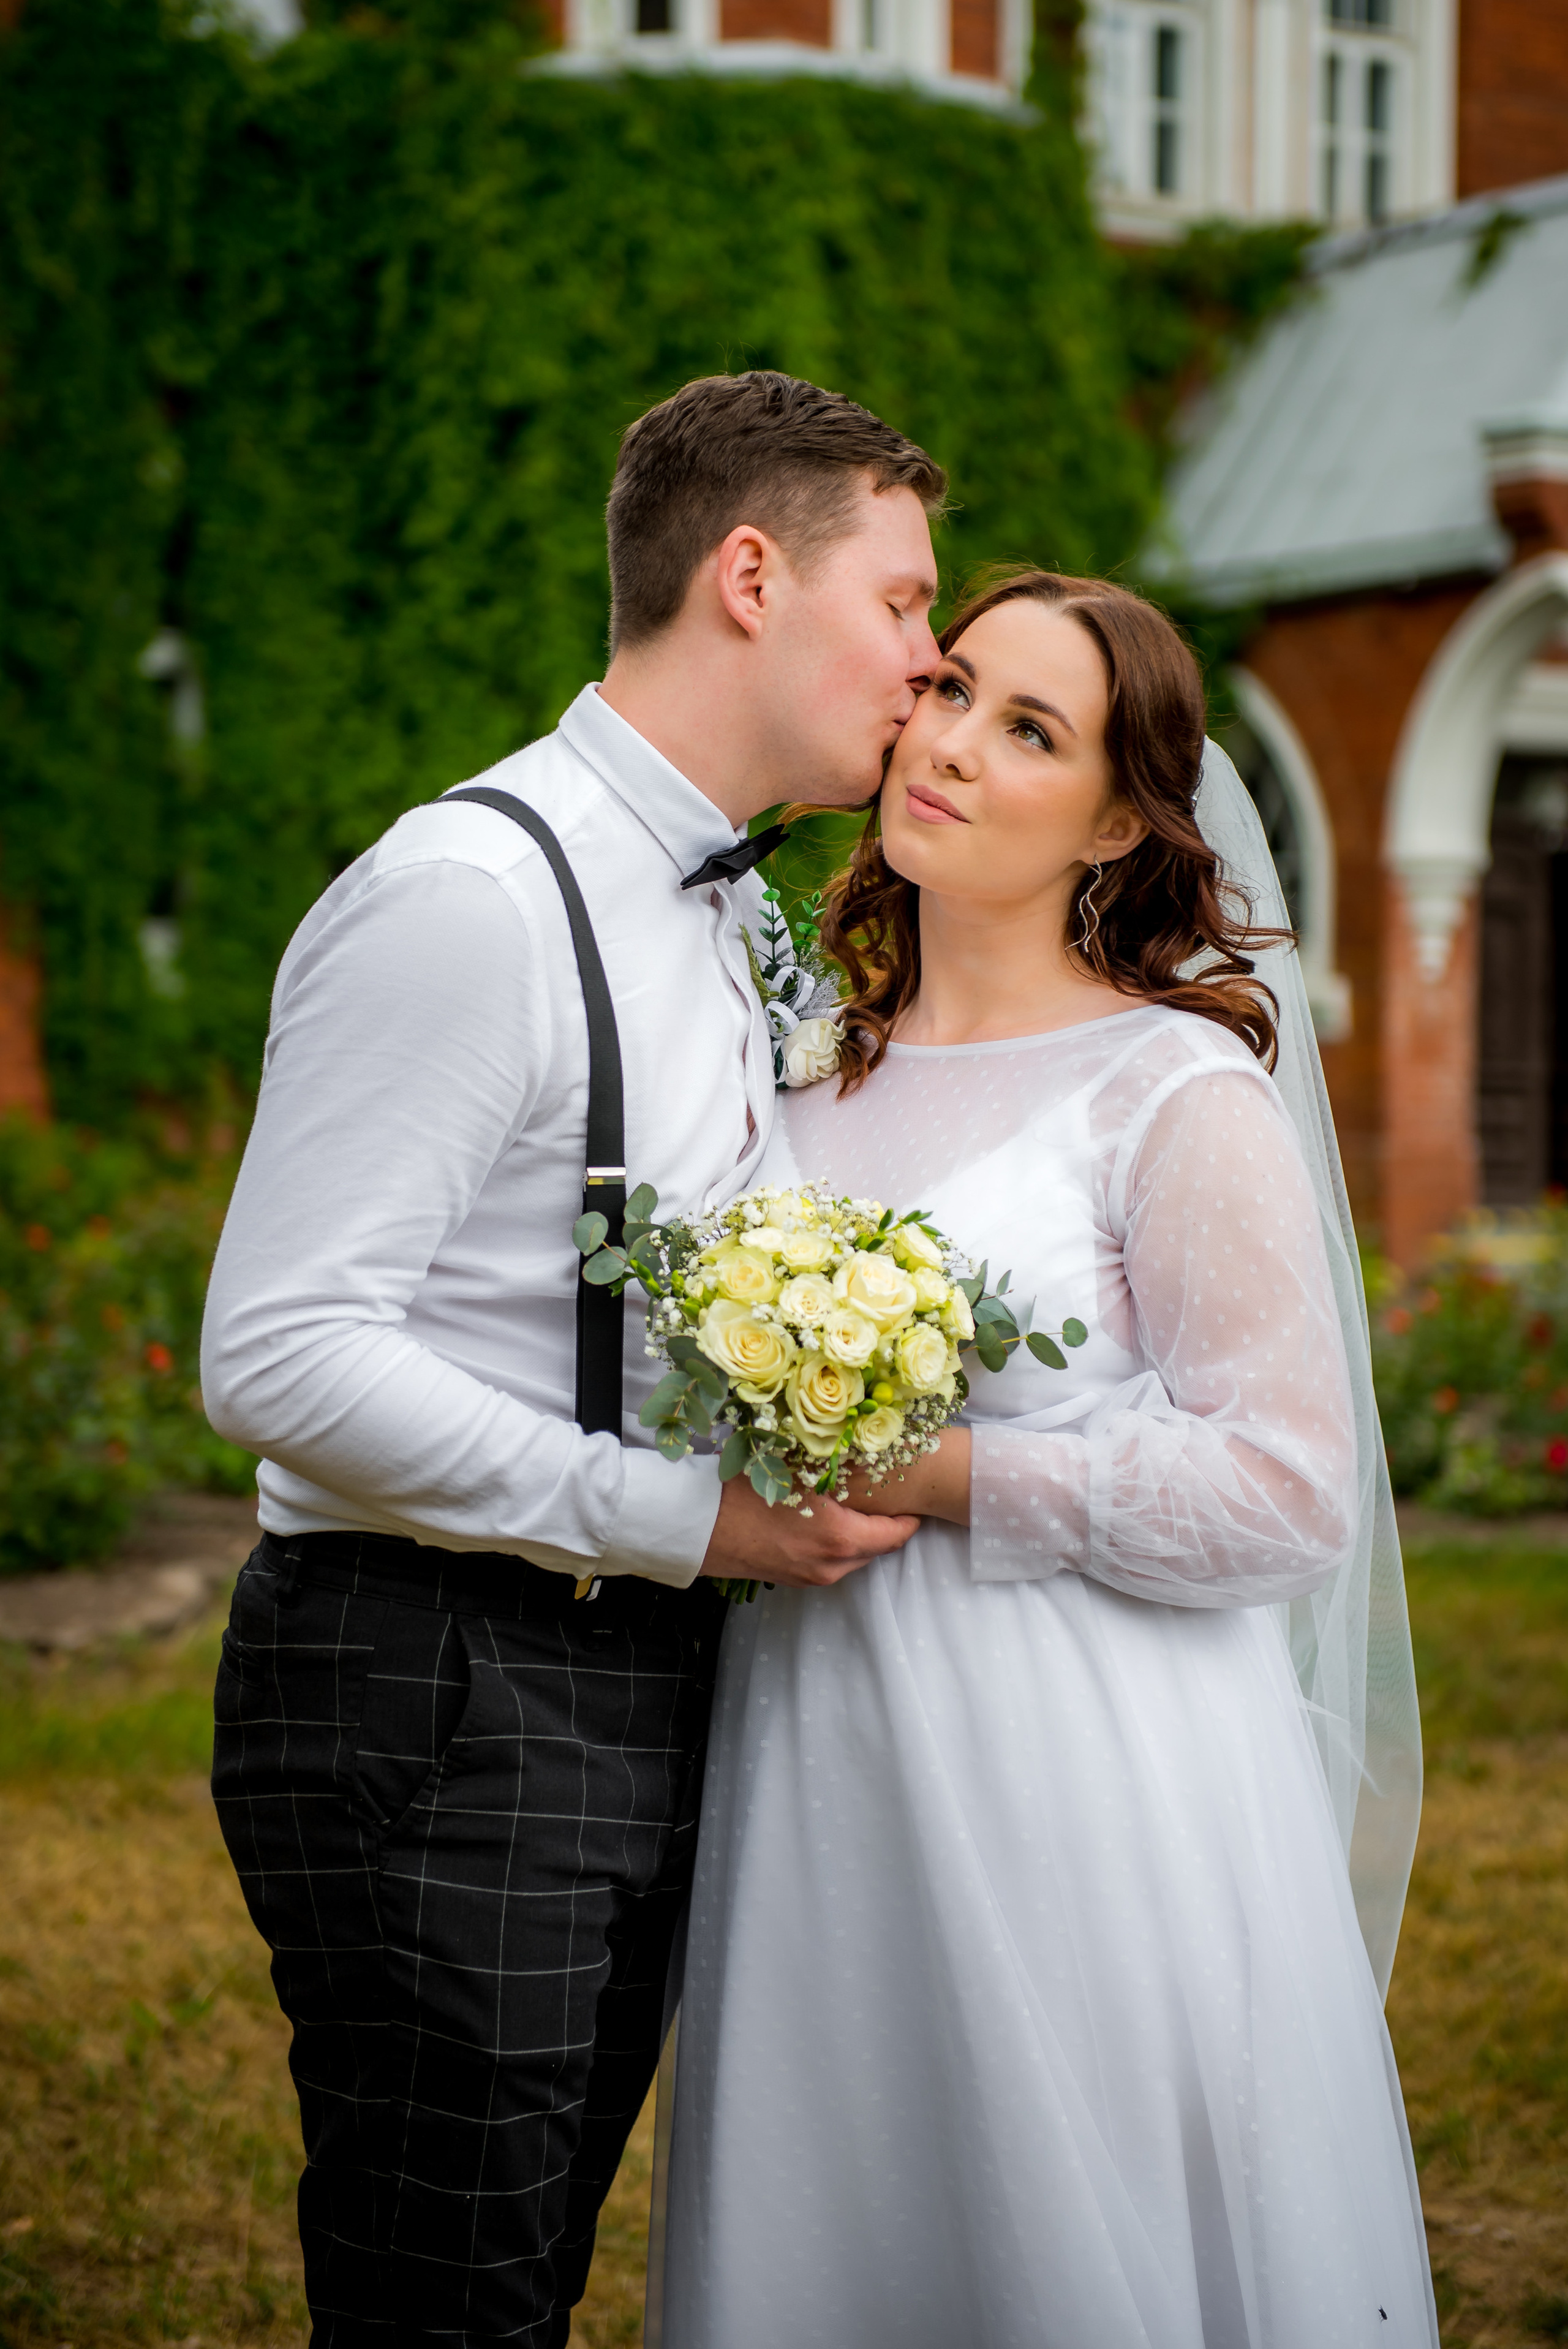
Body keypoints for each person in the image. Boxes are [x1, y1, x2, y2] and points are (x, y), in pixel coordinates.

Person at [200, 369, 946, 2347]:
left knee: (520, 2269)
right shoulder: (472, 900)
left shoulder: (729, 914)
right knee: (449, 2294)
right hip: (441, 1678)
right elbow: (278, 1352)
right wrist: (683, 1520)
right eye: (902, 601)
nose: (930, 659)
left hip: (632, 1676)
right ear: (752, 576)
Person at [658, 570, 1439, 2348]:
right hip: (821, 1746)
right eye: (949, 691)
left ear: (1112, 823)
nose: (949, 746)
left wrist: (945, 1475)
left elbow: (1290, 1492)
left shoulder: (1173, 1093)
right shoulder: (801, 1077)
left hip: (1077, 1767)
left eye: (1030, 731)